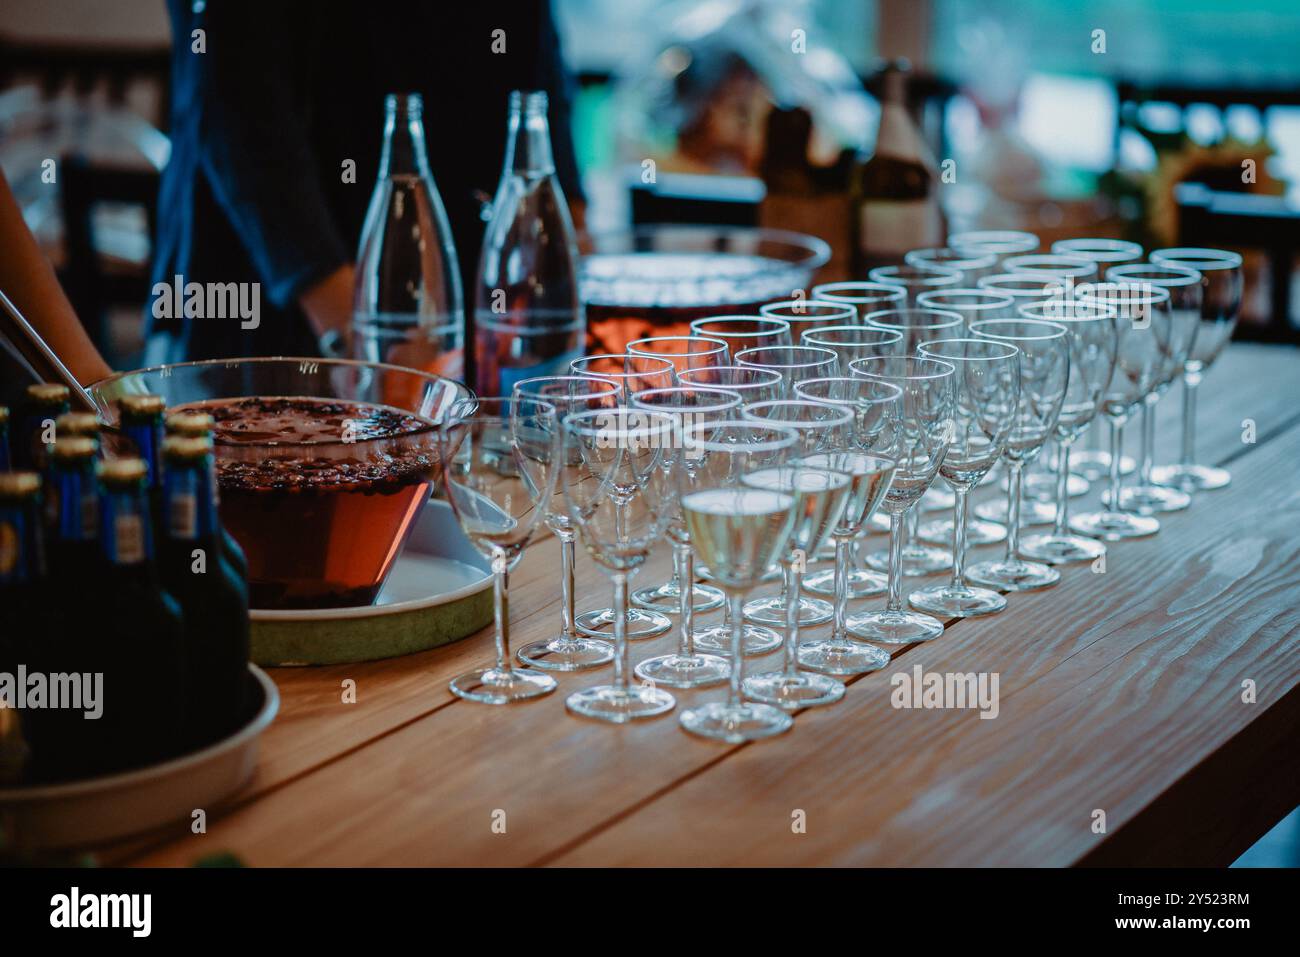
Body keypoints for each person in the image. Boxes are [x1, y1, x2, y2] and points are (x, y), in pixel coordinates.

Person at [147, 1, 584, 367]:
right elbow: (238, 95)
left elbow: (538, 61)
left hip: (465, 320)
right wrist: (354, 334)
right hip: (269, 309)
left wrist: (568, 267)